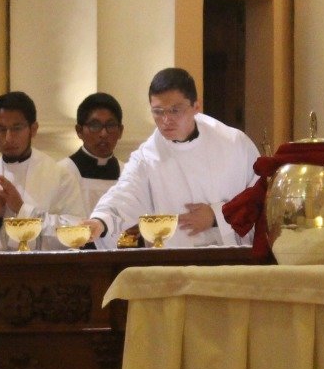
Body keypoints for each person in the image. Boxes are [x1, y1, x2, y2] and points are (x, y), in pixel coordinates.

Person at [86, 67, 259, 248]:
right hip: (178, 263)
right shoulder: (148, 158)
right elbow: (123, 197)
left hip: (233, 261)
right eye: (158, 111)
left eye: (175, 110)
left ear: (196, 107)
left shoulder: (233, 143)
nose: (166, 119)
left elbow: (260, 194)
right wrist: (100, 222)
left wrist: (217, 216)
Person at [0, 91, 86, 251]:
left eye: (17, 128)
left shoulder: (60, 177)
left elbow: (77, 232)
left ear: (33, 129)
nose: (8, 138)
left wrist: (23, 210)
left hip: (45, 272)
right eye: (0, 129)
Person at [60, 92, 126, 214]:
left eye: (110, 126)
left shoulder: (128, 174)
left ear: (120, 131)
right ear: (79, 131)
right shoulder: (62, 172)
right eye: (95, 126)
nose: (103, 134)